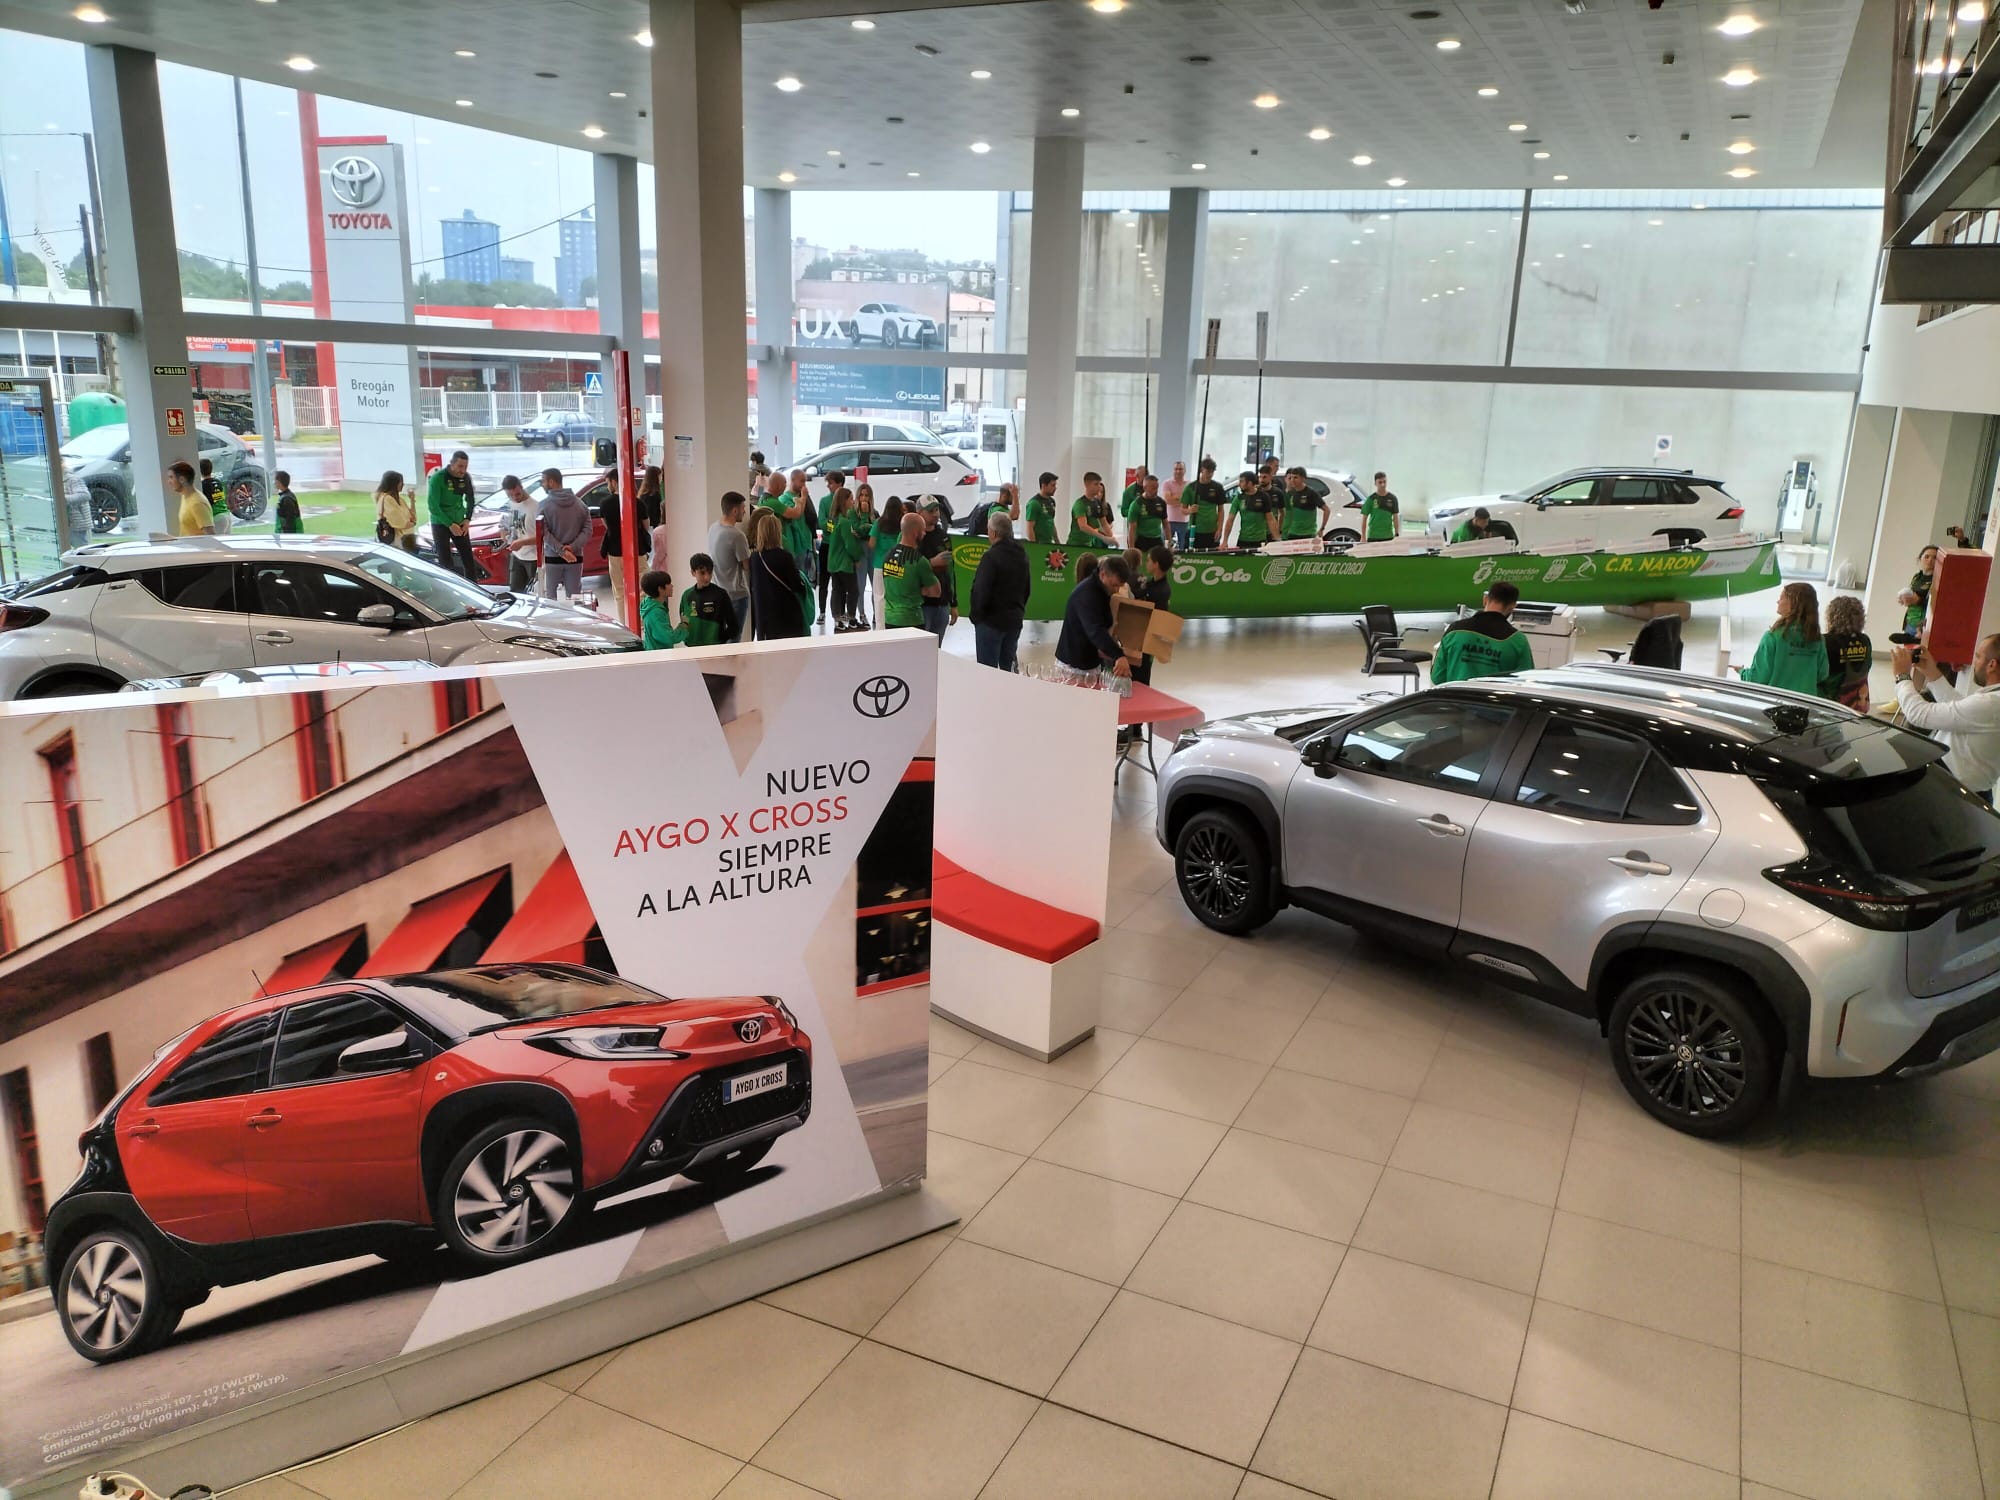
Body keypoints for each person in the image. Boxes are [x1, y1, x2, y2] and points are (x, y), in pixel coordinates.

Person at [1894, 632, 2000, 801]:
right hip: (1966, 791)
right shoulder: (1992, 700)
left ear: (1992, 665)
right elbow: (1961, 710)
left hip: (1957, 796)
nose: (1974, 662)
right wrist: (1932, 672)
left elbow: (1918, 714)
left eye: (1978, 656)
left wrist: (1902, 677)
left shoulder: (1992, 704)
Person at [1430, 581, 1535, 683]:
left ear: (1485, 599)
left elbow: (1437, 677)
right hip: (1492, 695)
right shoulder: (1517, 640)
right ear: (1512, 606)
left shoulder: (1455, 630)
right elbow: (1525, 681)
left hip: (1454, 694)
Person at [1054, 551, 1134, 682]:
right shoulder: (1087, 594)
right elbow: (1095, 630)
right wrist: (1118, 655)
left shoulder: (1101, 590)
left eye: (1120, 586)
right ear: (1103, 574)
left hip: (1089, 661)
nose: (1116, 590)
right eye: (1114, 585)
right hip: (1073, 666)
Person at [1741, 581, 1830, 695]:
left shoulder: (1772, 637)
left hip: (1776, 701)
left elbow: (1758, 678)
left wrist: (1742, 672)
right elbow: (1822, 674)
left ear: (1794, 604)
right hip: (1806, 702)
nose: (1778, 601)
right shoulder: (1818, 639)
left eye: (1781, 598)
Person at [970, 511, 1030, 671]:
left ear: (994, 533)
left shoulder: (991, 557)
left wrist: (977, 617)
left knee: (987, 672)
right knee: (1008, 670)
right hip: (1014, 619)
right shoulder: (1022, 555)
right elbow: (1026, 588)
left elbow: (981, 590)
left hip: (991, 622)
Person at [748, 509, 809, 640]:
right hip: (786, 614)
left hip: (765, 617)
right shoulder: (785, 556)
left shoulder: (754, 558)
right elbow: (797, 585)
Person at [881, 512, 941, 637]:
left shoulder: (887, 556)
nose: (924, 533)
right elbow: (936, 592)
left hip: (890, 618)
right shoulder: (919, 561)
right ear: (915, 532)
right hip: (912, 619)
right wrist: (922, 590)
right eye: (923, 530)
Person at [538, 467, 592, 599]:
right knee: (575, 597)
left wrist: (561, 550)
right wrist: (572, 547)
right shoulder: (581, 505)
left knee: (551, 598)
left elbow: (543, 532)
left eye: (543, 481)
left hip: (552, 558)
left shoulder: (543, 505)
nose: (542, 485)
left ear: (551, 482)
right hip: (575, 557)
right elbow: (588, 530)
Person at [706, 491, 753, 637]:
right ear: (735, 510)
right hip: (736, 595)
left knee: (721, 638)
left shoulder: (713, 528)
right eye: (743, 508)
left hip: (718, 591)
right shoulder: (737, 536)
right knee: (734, 638)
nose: (744, 511)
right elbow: (746, 566)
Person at [427, 451, 478, 577]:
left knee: (468, 559)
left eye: (465, 467)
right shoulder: (438, 478)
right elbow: (433, 507)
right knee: (445, 562)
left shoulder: (465, 477)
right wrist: (449, 524)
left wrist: (467, 519)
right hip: (440, 522)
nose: (463, 470)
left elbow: (470, 499)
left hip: (459, 520)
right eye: (460, 466)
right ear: (452, 464)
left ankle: (473, 585)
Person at [1130, 544, 1175, 687]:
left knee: (1142, 672)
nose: (1146, 563)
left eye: (1149, 560)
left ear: (1156, 564)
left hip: (1147, 638)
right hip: (1138, 636)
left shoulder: (1162, 591)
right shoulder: (1150, 584)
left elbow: (1158, 616)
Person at [1821, 595, 1872, 711]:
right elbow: (1867, 666)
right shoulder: (1865, 640)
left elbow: (1820, 674)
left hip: (1832, 704)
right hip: (1858, 703)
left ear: (1832, 617)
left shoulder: (1826, 641)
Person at [825, 486, 866, 631]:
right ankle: (852, 618)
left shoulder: (833, 520)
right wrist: (857, 557)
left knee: (837, 590)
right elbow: (850, 545)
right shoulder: (845, 522)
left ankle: (837, 621)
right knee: (853, 590)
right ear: (844, 501)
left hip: (833, 562)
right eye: (851, 499)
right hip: (844, 563)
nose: (853, 501)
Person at [680, 553, 738, 646]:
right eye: (702, 573)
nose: (707, 577)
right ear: (693, 572)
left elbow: (734, 626)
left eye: (710, 572)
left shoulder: (721, 594)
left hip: (715, 648)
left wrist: (720, 640)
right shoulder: (687, 595)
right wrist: (687, 639)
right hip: (692, 648)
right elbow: (683, 621)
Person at [918, 497, 956, 640]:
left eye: (937, 510)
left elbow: (951, 572)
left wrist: (953, 604)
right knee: (921, 647)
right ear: (920, 513)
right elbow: (909, 568)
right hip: (922, 604)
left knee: (937, 648)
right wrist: (932, 562)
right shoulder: (914, 537)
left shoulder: (943, 537)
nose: (936, 514)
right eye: (931, 511)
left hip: (942, 603)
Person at [871, 497, 906, 628]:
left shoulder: (878, 523)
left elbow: (872, 543)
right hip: (897, 565)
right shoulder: (902, 524)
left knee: (879, 597)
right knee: (895, 596)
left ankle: (880, 628)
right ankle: (895, 624)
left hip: (880, 565)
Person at [499, 475, 538, 592]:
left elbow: (543, 536)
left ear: (522, 487)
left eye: (517, 494)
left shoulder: (536, 507)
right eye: (510, 495)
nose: (514, 498)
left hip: (533, 557)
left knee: (533, 592)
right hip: (517, 555)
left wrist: (522, 542)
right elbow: (504, 523)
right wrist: (504, 534)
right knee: (515, 592)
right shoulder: (511, 504)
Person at [598, 476, 628, 617]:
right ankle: (640, 623)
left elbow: (607, 526)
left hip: (615, 550)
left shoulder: (605, 503)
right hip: (635, 551)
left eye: (608, 482)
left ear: (614, 482)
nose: (607, 486)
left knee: (619, 590)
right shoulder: (635, 501)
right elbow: (645, 525)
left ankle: (623, 620)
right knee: (640, 590)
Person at [1066, 470, 1117, 549]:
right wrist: (1103, 538)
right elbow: (1083, 526)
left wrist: (1111, 538)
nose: (1099, 487)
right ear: (1087, 485)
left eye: (1099, 484)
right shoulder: (1080, 504)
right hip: (1075, 545)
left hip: (1089, 544)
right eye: (1096, 484)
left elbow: (1104, 523)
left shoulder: (1097, 503)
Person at [638, 570, 687, 651]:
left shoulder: (650, 604)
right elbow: (669, 637)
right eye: (669, 584)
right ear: (660, 588)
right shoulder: (655, 613)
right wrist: (684, 625)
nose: (672, 586)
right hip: (658, 655)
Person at [1185, 458, 1227, 549]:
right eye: (1208, 472)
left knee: (1212, 555)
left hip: (1212, 531)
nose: (1210, 475)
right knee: (1192, 556)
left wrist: (1219, 529)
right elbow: (1182, 509)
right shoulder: (1191, 487)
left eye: (1212, 472)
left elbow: (1221, 510)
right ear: (1201, 470)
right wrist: (1190, 510)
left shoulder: (1218, 487)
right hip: (1194, 530)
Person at [1900, 544, 1940, 637]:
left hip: (1924, 626)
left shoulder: (1938, 580)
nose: (1930, 560)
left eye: (1935, 558)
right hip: (1910, 621)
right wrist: (1904, 598)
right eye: (1927, 557)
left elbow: (1938, 604)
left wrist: (1918, 600)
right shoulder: (1917, 577)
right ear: (1920, 559)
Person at [1279, 466, 1327, 543]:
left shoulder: (1311, 493)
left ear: (1303, 478)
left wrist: (1322, 528)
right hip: (1292, 533)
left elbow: (1327, 510)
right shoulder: (1291, 493)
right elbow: (1287, 512)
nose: (1292, 480)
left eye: (1295, 477)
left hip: (1308, 534)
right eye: (1291, 478)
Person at [851, 483, 877, 628]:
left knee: (876, 585)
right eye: (861, 495)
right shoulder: (853, 513)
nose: (864, 498)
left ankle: (876, 614)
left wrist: (869, 524)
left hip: (873, 551)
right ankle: (861, 614)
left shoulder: (875, 513)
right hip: (860, 551)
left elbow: (876, 530)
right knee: (860, 585)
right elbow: (860, 530)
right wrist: (865, 517)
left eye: (867, 495)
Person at [1127, 473, 1169, 551]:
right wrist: (1131, 549)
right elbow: (1132, 529)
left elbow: (1166, 524)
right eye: (1153, 488)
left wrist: (1168, 544)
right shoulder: (1136, 504)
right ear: (1145, 488)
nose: (1156, 491)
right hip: (1141, 540)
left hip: (1157, 540)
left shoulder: (1161, 502)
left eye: (1157, 487)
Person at [169, 461, 210, 537]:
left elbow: (210, 535)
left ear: (182, 479)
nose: (169, 482)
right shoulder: (185, 497)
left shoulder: (197, 503)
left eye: (171, 477)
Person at [1360, 471, 1401, 542]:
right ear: (1375, 483)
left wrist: (1396, 533)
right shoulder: (1371, 499)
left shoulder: (1393, 498)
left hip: (1388, 536)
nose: (1383, 484)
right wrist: (1363, 536)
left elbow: (1395, 518)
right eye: (1380, 482)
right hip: (1373, 536)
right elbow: (1364, 519)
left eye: (1384, 482)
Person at [1025, 471, 1060, 545]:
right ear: (1044, 486)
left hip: (1049, 543)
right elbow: (1029, 528)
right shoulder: (1034, 504)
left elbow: (1051, 523)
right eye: (1052, 485)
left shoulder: (1052, 502)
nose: (1055, 488)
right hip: (1039, 544)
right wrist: (1034, 546)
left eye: (1055, 485)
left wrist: (1057, 542)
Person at [199, 458, 231, 534]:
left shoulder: (203, 485)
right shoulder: (218, 482)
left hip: (216, 517)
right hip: (227, 514)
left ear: (199, 471)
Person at [1163, 460, 1190, 550]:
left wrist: (1175, 497)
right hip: (1169, 521)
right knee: (1167, 547)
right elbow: (1168, 500)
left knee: (1182, 547)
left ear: (1185, 470)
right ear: (1173, 470)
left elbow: (1191, 501)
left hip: (1184, 521)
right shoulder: (1167, 483)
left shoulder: (1189, 485)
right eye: (1176, 469)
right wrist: (1183, 499)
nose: (1178, 471)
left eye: (1180, 469)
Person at [272, 470, 302, 535]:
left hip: (288, 535)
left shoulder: (287, 499)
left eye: (275, 481)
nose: (274, 483)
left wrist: (286, 536)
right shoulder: (286, 496)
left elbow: (290, 520)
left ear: (279, 482)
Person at [637, 465, 665, 533]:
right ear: (656, 477)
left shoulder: (642, 493)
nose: (661, 478)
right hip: (653, 527)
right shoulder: (655, 495)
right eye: (660, 476)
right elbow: (656, 515)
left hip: (645, 526)